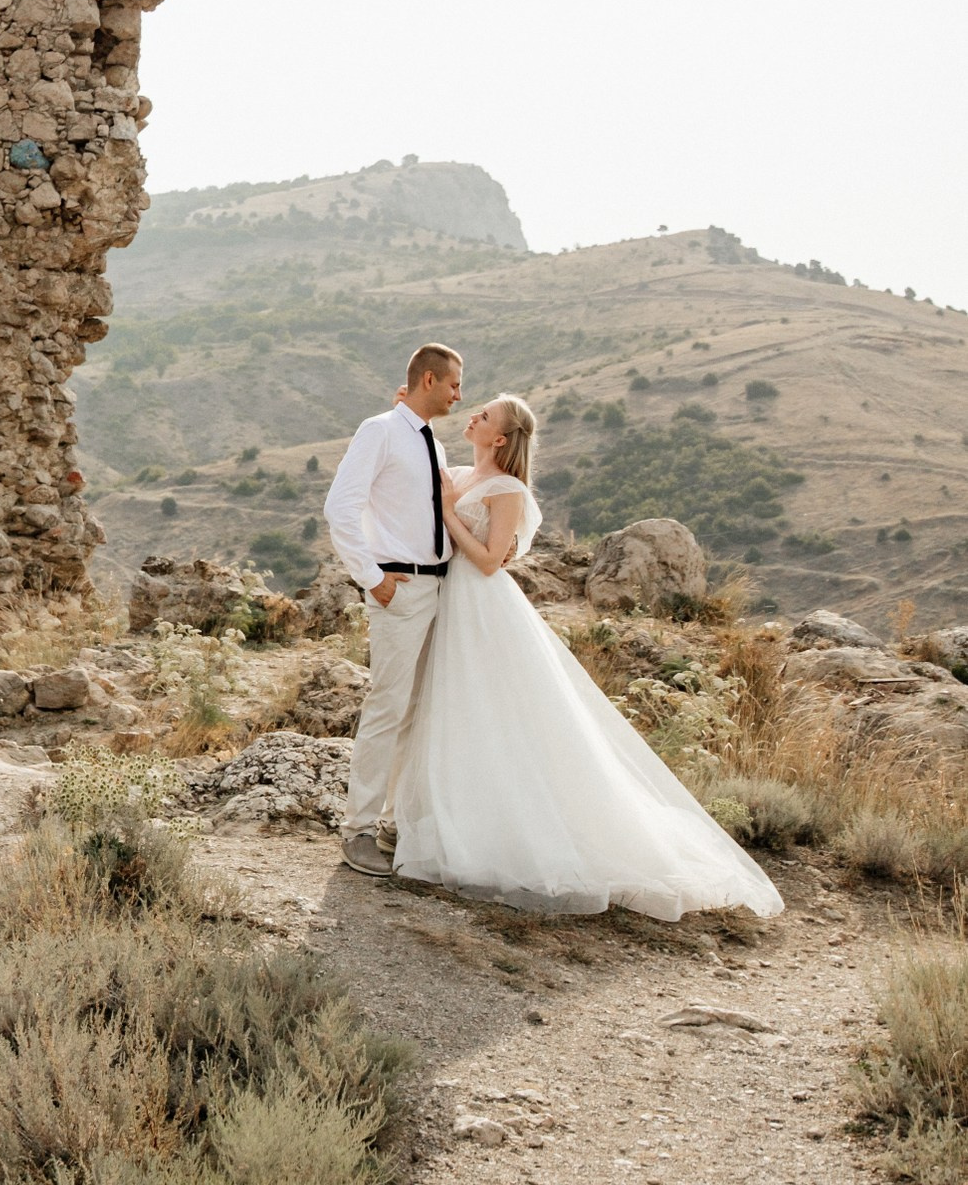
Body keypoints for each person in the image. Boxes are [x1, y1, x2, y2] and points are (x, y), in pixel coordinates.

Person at [390, 393, 783, 920]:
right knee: (452, 710)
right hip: (447, 600)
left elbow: (488, 561)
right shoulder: (460, 472)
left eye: (484, 416)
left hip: (481, 604)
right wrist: (406, 408)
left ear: (500, 438)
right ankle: (440, 814)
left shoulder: (508, 491)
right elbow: (422, 456)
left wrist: (447, 514)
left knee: (492, 711)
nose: (473, 416)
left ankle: (502, 832)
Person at [323, 342, 464, 877]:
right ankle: (356, 829)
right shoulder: (379, 430)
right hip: (399, 591)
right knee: (386, 709)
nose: (459, 394)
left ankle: (391, 820)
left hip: (439, 591)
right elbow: (341, 506)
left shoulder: (434, 446)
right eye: (454, 384)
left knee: (416, 711)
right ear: (429, 380)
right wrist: (373, 579)